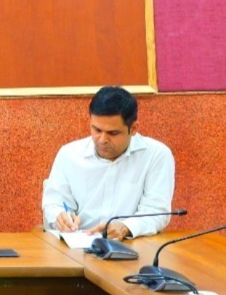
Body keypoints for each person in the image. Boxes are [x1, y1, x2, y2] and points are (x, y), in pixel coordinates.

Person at [42, 86, 176, 239]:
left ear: (133, 129)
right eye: (97, 130)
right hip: (77, 243)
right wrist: (61, 217)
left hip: (130, 244)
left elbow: (157, 212)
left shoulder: (156, 155)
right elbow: (54, 203)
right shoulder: (69, 154)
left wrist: (126, 227)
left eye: (113, 133)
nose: (102, 140)